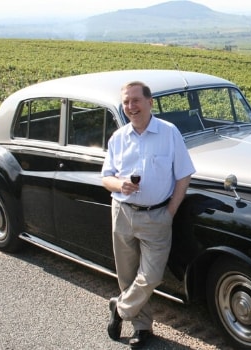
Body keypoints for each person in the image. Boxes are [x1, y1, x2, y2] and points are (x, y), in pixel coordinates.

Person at [101, 81, 195, 349]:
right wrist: (120, 185)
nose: (130, 107)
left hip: (157, 216)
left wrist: (170, 212)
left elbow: (184, 174)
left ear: (149, 102)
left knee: (151, 276)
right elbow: (106, 177)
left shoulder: (169, 132)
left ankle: (120, 309)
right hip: (122, 213)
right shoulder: (118, 138)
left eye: (135, 101)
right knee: (127, 276)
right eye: (126, 102)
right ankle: (142, 328)